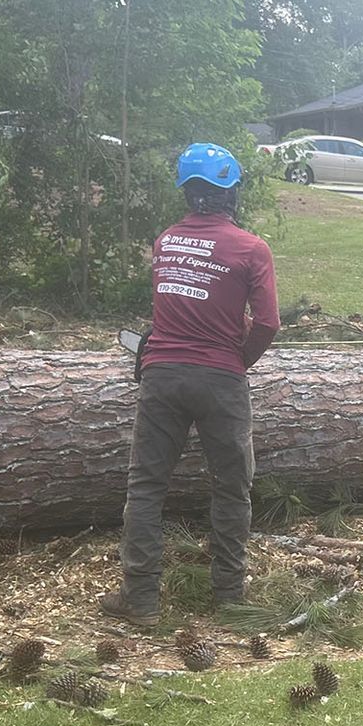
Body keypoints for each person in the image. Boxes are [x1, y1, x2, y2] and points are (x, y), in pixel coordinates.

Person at [100, 143, 280, 627]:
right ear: (231, 192)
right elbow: (266, 323)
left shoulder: (165, 241)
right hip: (221, 380)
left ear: (189, 191)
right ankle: (228, 596)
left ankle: (140, 598)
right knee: (231, 487)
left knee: (146, 487)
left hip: (162, 376)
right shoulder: (251, 248)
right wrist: (236, 360)